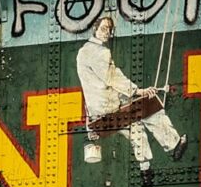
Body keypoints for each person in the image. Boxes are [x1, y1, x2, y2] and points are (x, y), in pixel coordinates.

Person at [75, 11, 184, 176]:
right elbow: (113, 77)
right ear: (95, 29)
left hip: (98, 113)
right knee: (151, 108)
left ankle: (145, 169)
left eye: (109, 30)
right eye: (104, 28)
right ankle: (175, 144)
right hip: (110, 108)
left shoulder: (82, 52)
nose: (107, 33)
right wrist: (138, 91)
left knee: (135, 126)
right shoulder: (99, 52)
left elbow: (92, 88)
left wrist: (88, 121)